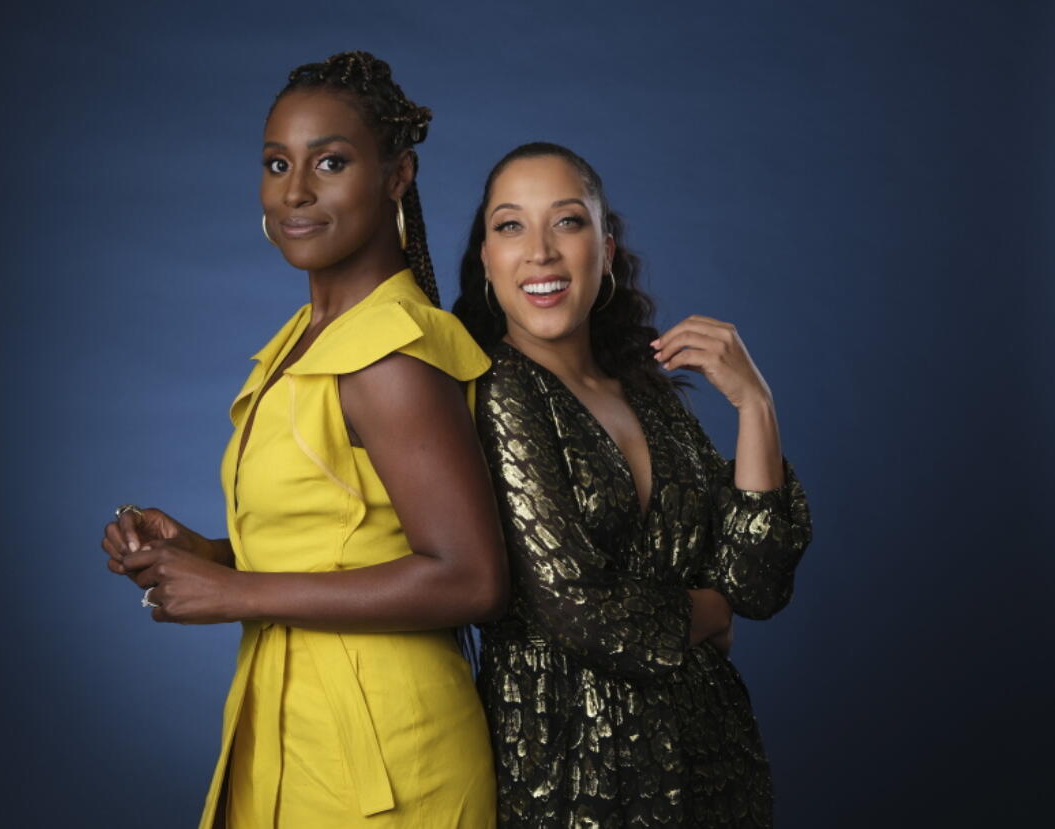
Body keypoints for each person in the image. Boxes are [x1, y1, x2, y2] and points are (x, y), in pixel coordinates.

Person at [100, 52, 506, 828]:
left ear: (397, 177)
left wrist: (237, 592)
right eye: (277, 163)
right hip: (291, 732)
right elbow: (347, 541)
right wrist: (205, 555)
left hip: (386, 763)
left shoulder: (388, 352)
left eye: (331, 162)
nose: (295, 191)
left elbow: (472, 579)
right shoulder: (307, 337)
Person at [452, 142, 813, 827]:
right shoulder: (497, 389)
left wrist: (755, 406)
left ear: (606, 250)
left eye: (567, 221)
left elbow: (758, 581)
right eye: (510, 225)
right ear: (487, 260)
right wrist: (708, 613)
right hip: (571, 771)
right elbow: (582, 611)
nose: (540, 252)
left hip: (713, 765)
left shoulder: (649, 394)